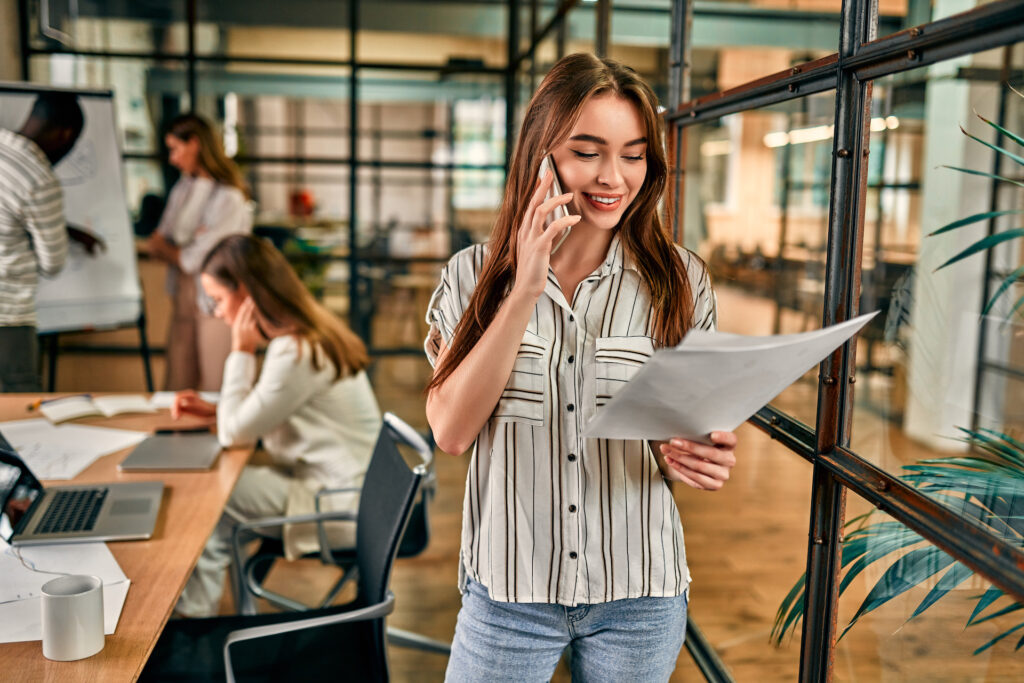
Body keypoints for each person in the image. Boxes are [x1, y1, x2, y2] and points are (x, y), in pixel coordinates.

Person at [424, 53, 738, 682]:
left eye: (633, 153)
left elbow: (682, 423)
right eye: (587, 151)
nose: (613, 177)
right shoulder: (471, 276)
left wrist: (696, 450)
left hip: (639, 593)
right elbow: (452, 433)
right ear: (541, 155)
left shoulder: (679, 281)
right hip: (509, 594)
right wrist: (523, 290)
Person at [170, 234, 382, 617]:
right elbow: (267, 408)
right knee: (218, 497)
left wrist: (241, 350)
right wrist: (218, 409)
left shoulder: (295, 351)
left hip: (339, 506)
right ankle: (205, 614)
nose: (216, 313)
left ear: (248, 294)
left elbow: (235, 434)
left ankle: (193, 622)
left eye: (217, 300)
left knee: (209, 500)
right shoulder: (308, 333)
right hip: (357, 495)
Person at [0, 92, 100, 392]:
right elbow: (52, 263)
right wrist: (54, 230)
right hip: (8, 321)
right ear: (64, 135)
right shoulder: (39, 178)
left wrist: (63, 228)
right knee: (16, 422)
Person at [146, 113, 253, 393]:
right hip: (183, 297)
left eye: (175, 149)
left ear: (194, 144)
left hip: (216, 301)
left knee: (214, 385)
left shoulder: (229, 197)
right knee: (177, 383)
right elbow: (159, 239)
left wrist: (179, 249)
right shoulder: (184, 187)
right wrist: (185, 246)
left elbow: (195, 259)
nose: (172, 158)